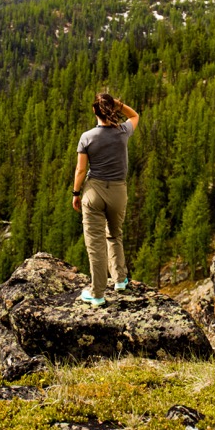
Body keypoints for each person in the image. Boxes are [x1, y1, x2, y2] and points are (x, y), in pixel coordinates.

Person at [71, 92, 139, 307]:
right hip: (118, 191)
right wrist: (118, 104)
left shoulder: (87, 137)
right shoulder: (123, 131)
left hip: (94, 192)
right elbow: (135, 115)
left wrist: (75, 193)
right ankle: (119, 280)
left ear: (94, 110)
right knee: (115, 235)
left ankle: (97, 293)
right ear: (112, 109)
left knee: (95, 244)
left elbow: (81, 170)